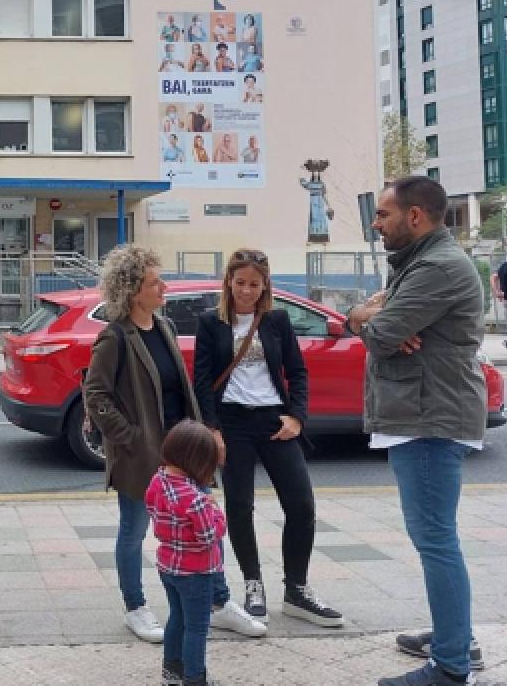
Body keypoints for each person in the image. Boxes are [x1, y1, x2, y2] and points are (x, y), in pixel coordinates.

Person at [83, 246, 265, 645]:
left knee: (206, 526)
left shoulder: (161, 325)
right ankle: (136, 608)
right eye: (154, 282)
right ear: (133, 291)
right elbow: (96, 395)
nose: (163, 287)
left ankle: (219, 604)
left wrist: (198, 433)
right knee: (134, 531)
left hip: (182, 452)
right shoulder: (114, 336)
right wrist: (129, 437)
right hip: (140, 452)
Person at [346, 177, 487, 686]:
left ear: (415, 217)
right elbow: (367, 322)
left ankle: (451, 665)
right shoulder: (418, 264)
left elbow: (380, 335)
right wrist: (367, 315)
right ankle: (456, 634)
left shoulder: (436, 268)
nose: (375, 222)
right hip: (422, 410)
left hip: (429, 417)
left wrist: (371, 320)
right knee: (436, 538)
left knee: (435, 540)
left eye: (382, 214)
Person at [193, 249, 343, 631]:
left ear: (265, 286)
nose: (246, 291)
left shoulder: (276, 320)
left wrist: (296, 416)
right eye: (240, 283)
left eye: (254, 284)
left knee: (302, 505)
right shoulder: (211, 322)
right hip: (233, 424)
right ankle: (253, 585)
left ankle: (296, 590)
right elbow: (202, 381)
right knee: (240, 507)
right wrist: (212, 429)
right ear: (228, 282)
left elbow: (297, 371)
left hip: (275, 422)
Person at [145, 421, 228, 686]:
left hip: (168, 566)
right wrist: (217, 514)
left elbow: (153, 510)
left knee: (177, 618)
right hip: (197, 573)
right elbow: (207, 537)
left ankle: (171, 672)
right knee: (197, 628)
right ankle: (195, 678)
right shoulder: (196, 499)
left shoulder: (158, 481)